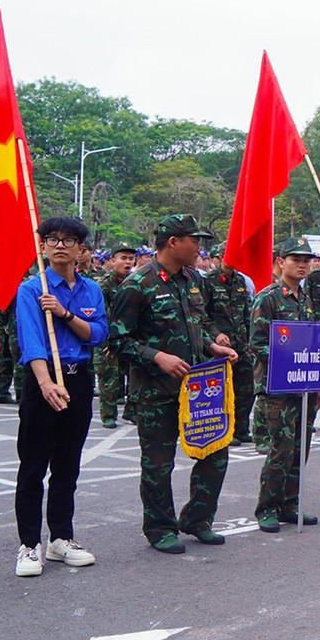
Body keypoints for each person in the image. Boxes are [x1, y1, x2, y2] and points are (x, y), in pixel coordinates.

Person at [111, 215, 239, 553]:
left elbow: (201, 321)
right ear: (173, 242)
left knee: (216, 454)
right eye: (194, 240)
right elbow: (118, 341)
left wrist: (213, 344)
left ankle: (198, 519)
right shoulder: (137, 284)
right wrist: (157, 356)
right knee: (158, 464)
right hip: (156, 392)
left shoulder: (193, 278)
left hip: (198, 389)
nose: (200, 247)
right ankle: (160, 528)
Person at [11, 217, 108, 577]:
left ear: (82, 249)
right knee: (33, 465)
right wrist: (46, 383)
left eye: (69, 240)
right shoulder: (31, 288)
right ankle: (28, 544)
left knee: (67, 464)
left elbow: (97, 334)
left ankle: (61, 538)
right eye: (52, 239)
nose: (60, 245)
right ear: (43, 246)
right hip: (43, 381)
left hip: (79, 380)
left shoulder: (90, 290)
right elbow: (31, 340)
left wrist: (64, 313)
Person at [250, 237, 320, 533]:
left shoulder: (305, 299)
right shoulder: (267, 298)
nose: (303, 265)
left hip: (303, 387)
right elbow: (257, 344)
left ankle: (289, 504)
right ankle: (266, 507)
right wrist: (288, 361)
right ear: (281, 262)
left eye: (307, 260)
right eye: (296, 259)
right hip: (276, 387)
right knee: (280, 449)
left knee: (300, 447)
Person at [204, 245, 256, 444]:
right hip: (219, 348)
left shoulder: (241, 281)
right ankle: (227, 431)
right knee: (223, 390)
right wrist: (216, 335)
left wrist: (251, 339)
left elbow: (247, 313)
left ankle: (241, 428)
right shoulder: (207, 282)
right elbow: (201, 315)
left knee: (247, 387)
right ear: (219, 257)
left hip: (241, 344)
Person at [97, 245, 136, 428]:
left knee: (136, 376)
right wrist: (109, 341)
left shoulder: (136, 282)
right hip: (109, 338)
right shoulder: (104, 285)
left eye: (130, 259)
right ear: (113, 261)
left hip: (131, 338)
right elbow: (101, 315)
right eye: (123, 258)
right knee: (109, 378)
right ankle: (108, 415)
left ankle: (132, 411)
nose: (127, 262)